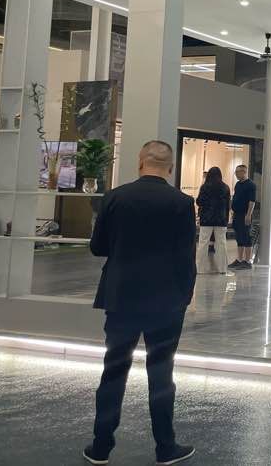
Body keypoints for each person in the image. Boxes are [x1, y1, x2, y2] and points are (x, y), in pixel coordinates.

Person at [83, 141, 197, 466]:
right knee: (161, 373)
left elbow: (97, 247)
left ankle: (101, 447)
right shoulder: (182, 202)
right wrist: (184, 296)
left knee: (114, 370)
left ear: (140, 162)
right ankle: (165, 447)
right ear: (170, 168)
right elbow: (186, 258)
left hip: (121, 297)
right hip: (166, 300)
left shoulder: (114, 197)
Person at [195, 166, 231, 274]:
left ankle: (200, 269)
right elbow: (227, 205)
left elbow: (199, 201)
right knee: (221, 243)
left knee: (203, 243)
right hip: (221, 219)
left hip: (206, 219)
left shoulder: (205, 187)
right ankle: (222, 269)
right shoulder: (225, 187)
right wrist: (226, 219)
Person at [228, 164, 256, 270]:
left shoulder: (251, 185)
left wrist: (248, 215)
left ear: (244, 172)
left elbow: (252, 201)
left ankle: (247, 261)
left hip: (245, 214)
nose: (236, 174)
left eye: (237, 172)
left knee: (246, 237)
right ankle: (239, 259)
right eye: (235, 172)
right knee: (239, 237)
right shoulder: (238, 184)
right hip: (237, 214)